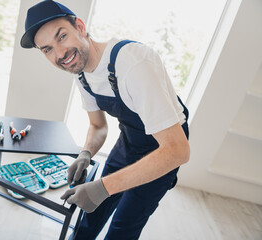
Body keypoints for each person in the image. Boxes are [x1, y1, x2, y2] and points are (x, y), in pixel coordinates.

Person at [20, 1, 190, 239]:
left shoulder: (134, 64)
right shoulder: (82, 74)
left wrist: (104, 186)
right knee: (89, 219)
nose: (60, 54)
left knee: (122, 228)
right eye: (47, 49)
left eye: (62, 36)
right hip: (129, 142)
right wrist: (86, 153)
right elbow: (98, 126)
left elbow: (178, 150)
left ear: (80, 27)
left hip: (164, 151)